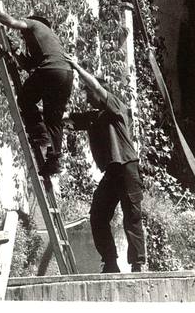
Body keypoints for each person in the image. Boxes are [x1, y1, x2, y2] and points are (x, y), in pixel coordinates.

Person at [63, 53, 146, 274]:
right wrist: (39, 113)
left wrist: (77, 67)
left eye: (89, 92)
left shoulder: (116, 105)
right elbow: (66, 119)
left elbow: (98, 89)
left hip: (127, 167)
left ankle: (137, 264)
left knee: (132, 217)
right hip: (112, 172)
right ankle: (110, 262)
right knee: (98, 215)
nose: (87, 97)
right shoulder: (93, 116)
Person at [0, 5, 73, 176]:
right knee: (54, 119)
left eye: (23, 34)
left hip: (50, 71)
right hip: (66, 74)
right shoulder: (50, 41)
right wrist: (15, 52)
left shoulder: (34, 24)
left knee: (24, 99)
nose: (22, 36)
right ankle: (54, 160)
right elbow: (29, 65)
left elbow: (14, 22)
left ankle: (40, 134)